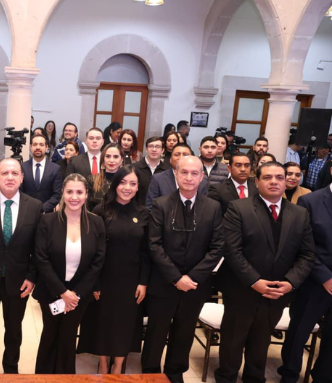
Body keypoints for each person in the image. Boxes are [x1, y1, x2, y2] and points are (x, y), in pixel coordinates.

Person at [214, 162, 315, 383]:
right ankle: (226, 378)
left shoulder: (300, 214)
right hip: (242, 289)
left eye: (279, 177)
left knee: (261, 343)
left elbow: (307, 255)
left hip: (278, 292)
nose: (274, 182)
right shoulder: (238, 208)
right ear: (257, 181)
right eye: (268, 177)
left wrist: (291, 282)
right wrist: (255, 281)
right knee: (232, 343)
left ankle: (254, 378)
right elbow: (231, 251)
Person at [141, 156, 224, 383]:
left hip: (195, 285)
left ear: (202, 176)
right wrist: (176, 278)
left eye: (194, 173)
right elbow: (154, 245)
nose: (189, 177)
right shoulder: (161, 204)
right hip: (164, 283)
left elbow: (218, 247)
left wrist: (192, 277)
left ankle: (175, 373)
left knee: (184, 332)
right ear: (176, 174)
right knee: (156, 332)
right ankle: (150, 373)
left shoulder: (213, 207)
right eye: (184, 172)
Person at [77, 165, 150, 374]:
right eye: (123, 182)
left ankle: (118, 365)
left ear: (138, 187)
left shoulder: (144, 213)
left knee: (125, 323)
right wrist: (95, 282)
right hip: (104, 277)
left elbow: (147, 252)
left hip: (131, 280)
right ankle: (102, 362)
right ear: (115, 184)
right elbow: (92, 250)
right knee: (102, 320)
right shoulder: (100, 211)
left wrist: (143, 282)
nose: (127, 187)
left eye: (133, 184)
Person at [0, 158, 43, 374]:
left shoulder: (34, 206)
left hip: (19, 280)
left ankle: (11, 368)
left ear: (22, 177)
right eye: (4, 173)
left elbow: (38, 247)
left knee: (14, 329)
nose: (10, 177)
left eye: (15, 173)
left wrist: (31, 277)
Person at [33, 173, 106, 374]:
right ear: (62, 194)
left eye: (79, 192)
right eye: (69, 192)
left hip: (79, 295)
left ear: (86, 195)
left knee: (68, 335)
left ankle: (66, 377)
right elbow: (41, 258)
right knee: (50, 334)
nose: (74, 197)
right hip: (51, 291)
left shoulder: (96, 223)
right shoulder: (47, 221)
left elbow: (98, 262)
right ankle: (43, 377)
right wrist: (62, 292)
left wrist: (75, 294)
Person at [279, 167, 332, 383]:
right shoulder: (310, 201)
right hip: (314, 281)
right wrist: (325, 277)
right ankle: (289, 376)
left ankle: (323, 377)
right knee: (298, 333)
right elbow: (302, 245)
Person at [146, 144, 208, 209]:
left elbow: (204, 207)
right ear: (170, 159)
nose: (181, 157)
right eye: (177, 154)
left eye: (185, 155)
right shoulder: (158, 179)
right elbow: (151, 207)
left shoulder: (202, 182)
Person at [21, 135, 62, 213]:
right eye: (35, 144)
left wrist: (42, 208)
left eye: (41, 145)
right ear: (30, 147)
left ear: (46, 147)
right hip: (26, 211)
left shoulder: (55, 169)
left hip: (47, 213)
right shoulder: (22, 167)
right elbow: (19, 191)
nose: (38, 147)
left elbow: (57, 195)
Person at [87, 143, 123, 211]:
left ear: (121, 160)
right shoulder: (92, 180)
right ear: (103, 159)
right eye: (108, 156)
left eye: (116, 157)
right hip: (96, 216)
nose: (111, 160)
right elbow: (87, 207)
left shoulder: (126, 181)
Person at [134, 136, 168, 207]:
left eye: (157, 147)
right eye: (151, 146)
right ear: (146, 149)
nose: (154, 149)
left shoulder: (167, 170)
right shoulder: (135, 168)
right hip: (137, 209)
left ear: (162, 150)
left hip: (159, 210)